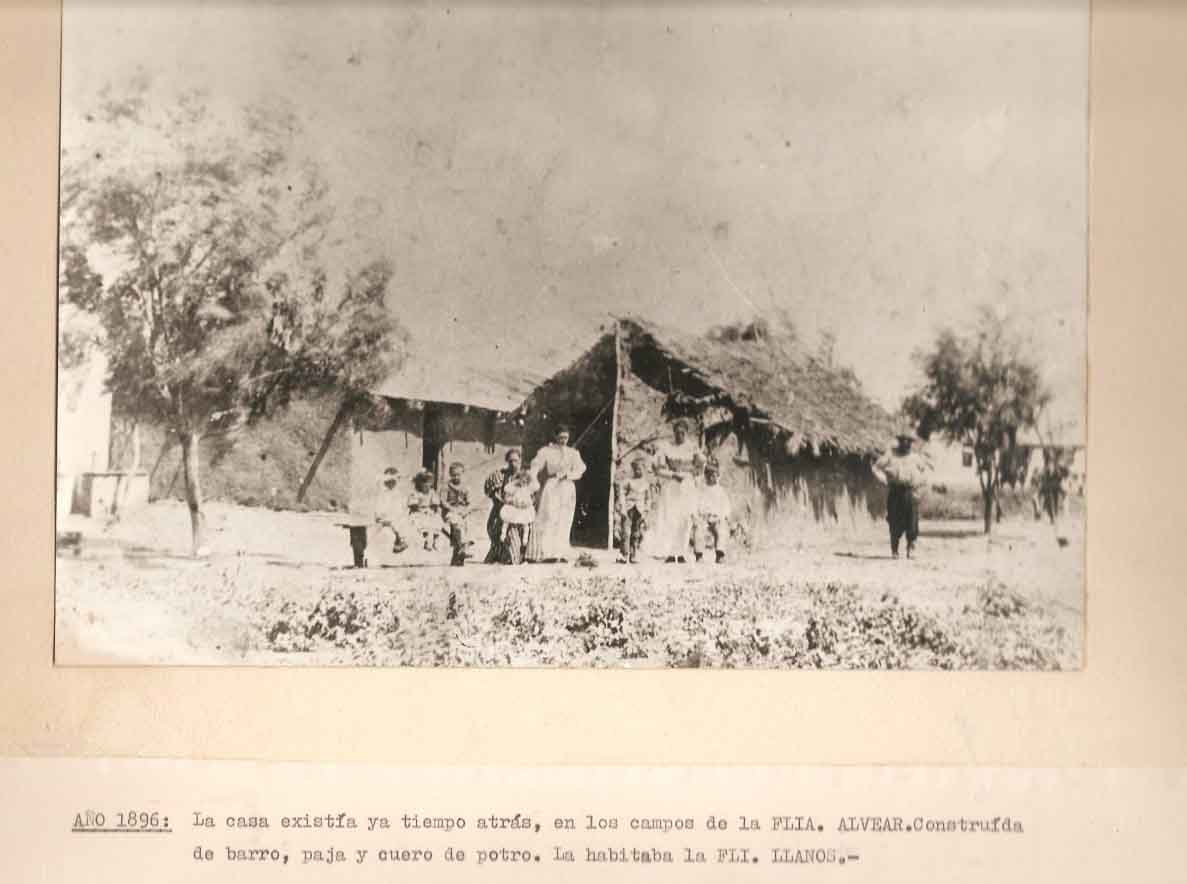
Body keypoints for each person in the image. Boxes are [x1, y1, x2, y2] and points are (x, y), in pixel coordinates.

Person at [526, 424, 586, 563]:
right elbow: (536, 465)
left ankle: (561, 552)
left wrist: (569, 475)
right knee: (549, 516)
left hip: (567, 488)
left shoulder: (573, 453)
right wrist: (533, 480)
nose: (563, 440)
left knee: (564, 518)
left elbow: (581, 469)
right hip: (552, 487)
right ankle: (547, 552)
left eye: (566, 438)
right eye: (560, 437)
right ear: (555, 437)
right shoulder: (546, 451)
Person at [649, 418, 703, 563]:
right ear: (674, 433)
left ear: (686, 433)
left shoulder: (692, 447)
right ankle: (671, 553)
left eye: (683, 433)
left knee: (685, 519)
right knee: (671, 518)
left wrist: (692, 475)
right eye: (677, 432)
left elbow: (701, 467)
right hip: (672, 485)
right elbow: (656, 468)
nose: (680, 435)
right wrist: (673, 474)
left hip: (687, 486)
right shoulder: (667, 447)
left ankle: (682, 552)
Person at [873, 433, 930, 559]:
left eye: (908, 441)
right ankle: (895, 549)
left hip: (910, 492)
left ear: (911, 443)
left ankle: (911, 548)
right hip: (895, 492)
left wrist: (919, 481)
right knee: (894, 520)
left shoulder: (915, 457)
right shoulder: (890, 455)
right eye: (903, 441)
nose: (906, 444)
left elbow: (925, 471)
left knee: (912, 521)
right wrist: (884, 480)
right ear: (899, 442)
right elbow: (876, 468)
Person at [483, 450, 522, 563]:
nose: (513, 463)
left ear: (520, 460)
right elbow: (494, 495)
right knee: (497, 529)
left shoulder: (523, 476)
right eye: (510, 461)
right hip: (501, 510)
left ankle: (515, 553)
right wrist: (503, 502)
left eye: (515, 460)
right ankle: (500, 552)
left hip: (519, 512)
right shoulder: (500, 475)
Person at [692, 460, 731, 564]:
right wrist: (698, 515)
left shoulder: (720, 490)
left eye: (714, 476)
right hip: (704, 517)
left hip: (716, 517)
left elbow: (726, 505)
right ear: (705, 476)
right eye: (709, 476)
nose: (712, 478)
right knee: (699, 529)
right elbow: (696, 503)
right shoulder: (701, 489)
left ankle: (720, 554)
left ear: (717, 476)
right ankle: (699, 555)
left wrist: (723, 516)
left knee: (722, 530)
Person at [615, 456, 652, 564]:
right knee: (626, 532)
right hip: (628, 508)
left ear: (644, 470)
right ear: (633, 469)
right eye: (636, 469)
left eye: (640, 469)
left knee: (636, 533)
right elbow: (621, 494)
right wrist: (622, 507)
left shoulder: (646, 484)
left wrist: (646, 509)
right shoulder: (628, 481)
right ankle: (624, 554)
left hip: (639, 510)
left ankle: (633, 554)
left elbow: (648, 498)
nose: (638, 471)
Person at [497, 466, 538, 564]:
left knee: (526, 524)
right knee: (507, 520)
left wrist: (528, 503)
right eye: (520, 480)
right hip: (515, 509)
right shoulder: (514, 488)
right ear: (517, 480)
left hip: (524, 509)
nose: (522, 482)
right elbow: (507, 496)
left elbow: (532, 497)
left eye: (525, 481)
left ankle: (524, 542)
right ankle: (503, 535)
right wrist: (512, 501)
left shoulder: (528, 489)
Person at [441, 462, 476, 566]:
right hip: (450, 511)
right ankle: (463, 549)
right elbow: (443, 501)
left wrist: (466, 511)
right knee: (458, 525)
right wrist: (453, 509)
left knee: (467, 525)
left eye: (458, 475)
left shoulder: (465, 487)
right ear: (450, 474)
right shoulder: (446, 486)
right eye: (453, 475)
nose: (456, 477)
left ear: (462, 474)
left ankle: (458, 557)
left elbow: (469, 503)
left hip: (462, 511)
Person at [371, 466, 410, 558]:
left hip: (395, 517)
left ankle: (400, 540)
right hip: (385, 517)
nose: (392, 484)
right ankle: (399, 540)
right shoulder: (382, 494)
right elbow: (379, 508)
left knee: (400, 522)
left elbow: (401, 508)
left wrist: (403, 513)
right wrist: (380, 516)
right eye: (389, 482)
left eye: (394, 482)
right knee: (392, 522)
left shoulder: (398, 493)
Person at [407, 469, 442, 552]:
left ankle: (434, 540)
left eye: (429, 482)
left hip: (429, 512)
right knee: (421, 521)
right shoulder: (416, 493)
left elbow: (435, 504)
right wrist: (420, 510)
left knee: (437, 520)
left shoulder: (432, 492)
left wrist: (433, 511)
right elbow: (413, 505)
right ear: (419, 483)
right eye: (424, 482)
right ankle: (426, 539)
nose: (426, 485)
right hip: (418, 512)